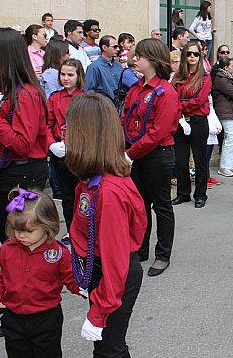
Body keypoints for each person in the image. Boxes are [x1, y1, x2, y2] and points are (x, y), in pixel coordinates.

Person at [65, 93, 147, 354]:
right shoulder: (92, 182)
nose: (63, 133)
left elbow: (116, 263)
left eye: (69, 128)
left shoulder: (108, 192)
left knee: (108, 349)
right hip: (101, 272)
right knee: (110, 347)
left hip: (113, 279)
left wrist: (99, 312)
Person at [0, 187, 82, 356]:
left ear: (47, 225)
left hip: (46, 318)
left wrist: (88, 289)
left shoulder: (59, 253)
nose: (21, 235)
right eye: (16, 229)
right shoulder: (7, 249)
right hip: (13, 317)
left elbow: (71, 279)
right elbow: (0, 279)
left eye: (28, 231)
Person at [0, 28, 50, 244]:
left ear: (6, 55)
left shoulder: (27, 94)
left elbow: (22, 144)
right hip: (4, 173)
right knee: (6, 232)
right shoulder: (1, 86)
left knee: (19, 235)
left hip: (22, 176)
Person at [122, 39, 179, 276]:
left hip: (156, 155)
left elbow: (158, 132)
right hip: (136, 154)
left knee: (161, 205)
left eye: (140, 56)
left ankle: (162, 254)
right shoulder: (136, 89)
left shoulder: (165, 92)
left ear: (153, 60)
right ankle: (140, 248)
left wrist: (129, 154)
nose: (135, 59)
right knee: (139, 205)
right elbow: (125, 118)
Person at [47, 58, 85, 244]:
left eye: (70, 75)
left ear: (79, 76)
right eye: (63, 74)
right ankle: (71, 229)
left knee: (83, 192)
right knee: (67, 194)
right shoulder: (54, 98)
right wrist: (51, 144)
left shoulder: (85, 97)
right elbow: (46, 124)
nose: (66, 78)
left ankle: (86, 227)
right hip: (60, 151)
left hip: (81, 151)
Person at [171, 42, 212, 208]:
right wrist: (181, 106)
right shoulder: (178, 76)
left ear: (200, 56)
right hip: (180, 121)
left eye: (195, 54)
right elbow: (171, 97)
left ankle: (201, 194)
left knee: (200, 159)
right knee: (180, 160)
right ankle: (183, 193)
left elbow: (200, 100)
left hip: (198, 121)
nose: (192, 57)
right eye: (189, 54)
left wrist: (181, 105)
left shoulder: (205, 77)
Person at [212, 57, 233, 177]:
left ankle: (229, 164)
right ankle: (224, 166)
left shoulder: (227, 77)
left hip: (231, 112)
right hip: (226, 112)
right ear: (226, 68)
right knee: (231, 138)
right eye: (232, 66)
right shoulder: (221, 79)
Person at [85, 35, 123, 100]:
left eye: (118, 46)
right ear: (104, 47)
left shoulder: (118, 65)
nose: (118, 49)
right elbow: (89, 91)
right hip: (103, 106)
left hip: (118, 106)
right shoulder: (94, 67)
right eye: (115, 47)